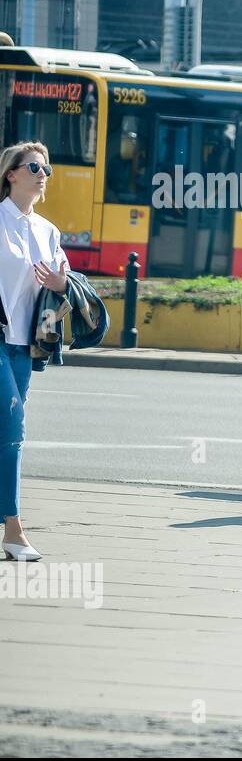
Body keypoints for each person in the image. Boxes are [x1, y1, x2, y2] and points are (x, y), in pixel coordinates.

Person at [0, 142, 71, 561]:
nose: (42, 172)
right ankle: (13, 530)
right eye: (33, 166)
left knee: (7, 434)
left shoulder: (48, 231)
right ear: (11, 174)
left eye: (47, 166)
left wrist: (62, 285)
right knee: (13, 430)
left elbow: (65, 283)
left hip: (25, 345)